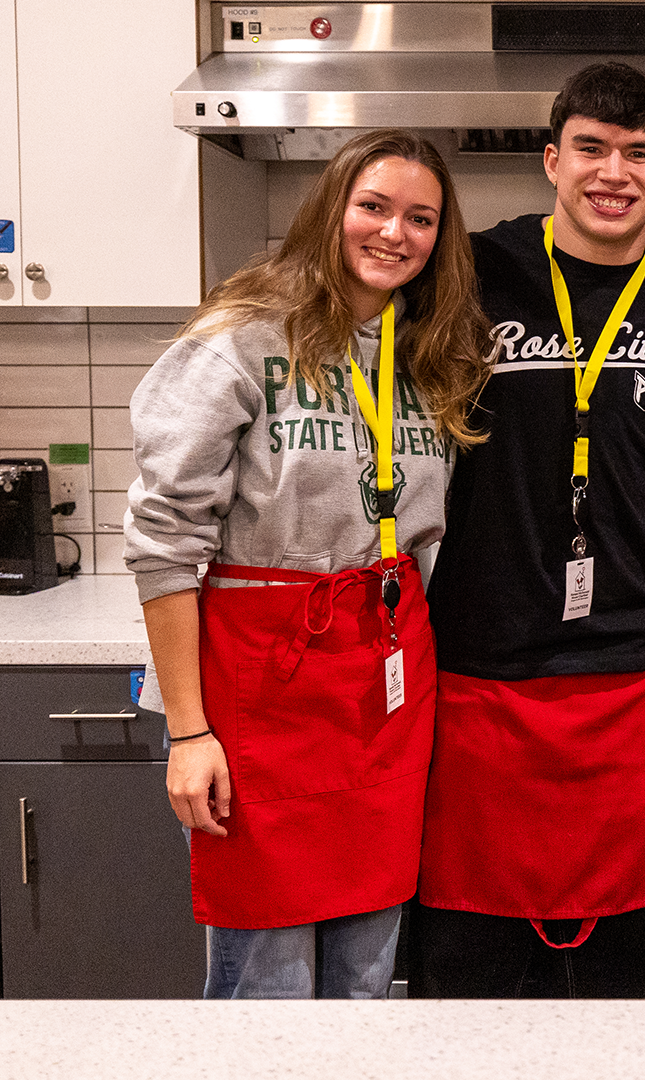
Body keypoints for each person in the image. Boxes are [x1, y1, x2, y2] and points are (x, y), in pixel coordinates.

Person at [124, 129, 492, 998]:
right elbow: (164, 542)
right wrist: (189, 734)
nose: (395, 233)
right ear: (331, 210)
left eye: (421, 218)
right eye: (374, 207)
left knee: (367, 971)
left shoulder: (430, 352)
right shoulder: (242, 338)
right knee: (269, 979)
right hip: (259, 686)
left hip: (381, 685)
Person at [413, 61, 645, 997]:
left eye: (640, 153)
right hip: (484, 665)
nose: (614, 173)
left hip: (635, 672)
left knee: (634, 974)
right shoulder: (468, 273)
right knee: (474, 975)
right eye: (591, 148)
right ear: (552, 160)